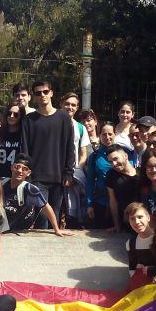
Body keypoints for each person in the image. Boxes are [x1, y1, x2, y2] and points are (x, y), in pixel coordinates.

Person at [20, 79, 75, 227]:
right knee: (42, 218)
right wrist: (27, 175)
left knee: (54, 218)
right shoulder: (29, 120)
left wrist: (68, 173)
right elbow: (25, 150)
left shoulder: (64, 118)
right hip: (37, 178)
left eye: (45, 91)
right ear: (34, 96)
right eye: (38, 93)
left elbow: (70, 147)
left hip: (58, 177)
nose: (42, 95)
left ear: (51, 93)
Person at [1, 154, 71, 235]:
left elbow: (47, 207)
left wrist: (57, 230)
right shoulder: (1, 183)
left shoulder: (30, 189)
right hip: (2, 226)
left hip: (19, 229)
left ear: (28, 173)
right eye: (17, 167)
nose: (19, 171)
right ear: (12, 167)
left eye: (24, 169)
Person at [60, 92, 91, 227]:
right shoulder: (53, 123)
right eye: (67, 104)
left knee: (72, 212)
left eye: (73, 105)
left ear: (77, 107)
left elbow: (84, 153)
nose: (70, 107)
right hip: (55, 174)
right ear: (61, 104)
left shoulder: (80, 127)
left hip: (73, 175)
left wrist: (75, 172)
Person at [85, 122, 117, 229]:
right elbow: (90, 181)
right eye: (104, 134)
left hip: (120, 203)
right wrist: (89, 204)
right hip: (100, 203)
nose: (107, 137)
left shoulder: (124, 153)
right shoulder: (94, 156)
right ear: (99, 136)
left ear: (115, 134)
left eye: (110, 134)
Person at [104, 144, 141, 233]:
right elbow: (113, 201)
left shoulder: (141, 173)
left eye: (116, 159)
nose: (114, 164)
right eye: (110, 162)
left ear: (125, 156)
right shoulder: (111, 175)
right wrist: (117, 225)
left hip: (141, 220)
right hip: (125, 221)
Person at [0, 103, 24, 180]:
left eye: (16, 114)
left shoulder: (24, 135)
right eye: (9, 113)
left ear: (21, 117)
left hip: (17, 178)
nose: (11, 116)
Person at [125, 202, 156, 275]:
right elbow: (132, 269)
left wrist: (151, 270)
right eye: (132, 219)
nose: (137, 222)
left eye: (140, 217)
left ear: (148, 218)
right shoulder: (130, 244)